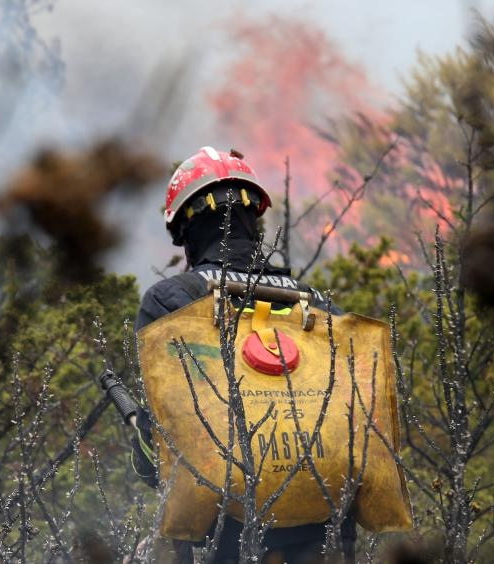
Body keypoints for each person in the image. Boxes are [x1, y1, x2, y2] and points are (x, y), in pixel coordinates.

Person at [132, 146, 355, 563]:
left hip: (223, 542)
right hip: (325, 536)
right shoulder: (321, 308)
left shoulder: (170, 302)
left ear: (185, 231)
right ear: (255, 222)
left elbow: (156, 449)